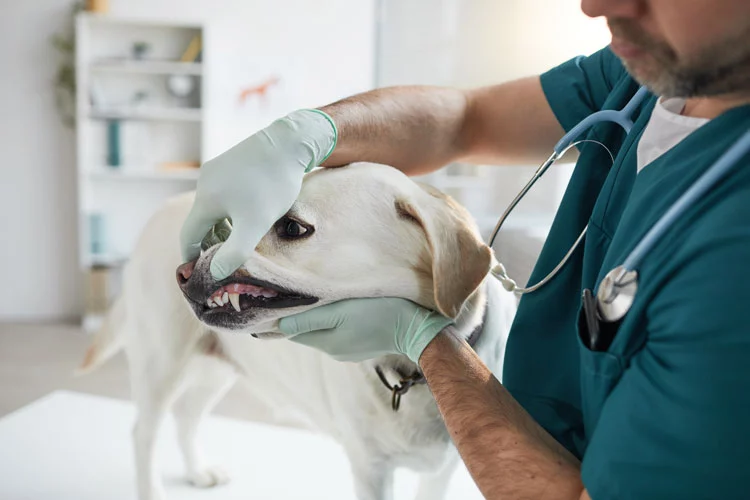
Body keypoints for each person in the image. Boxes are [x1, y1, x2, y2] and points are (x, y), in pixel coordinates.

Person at [180, 1, 750, 498]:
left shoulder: (734, 251)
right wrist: (310, 133)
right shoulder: (655, 71)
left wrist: (428, 341)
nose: (594, 5)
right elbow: (466, 120)